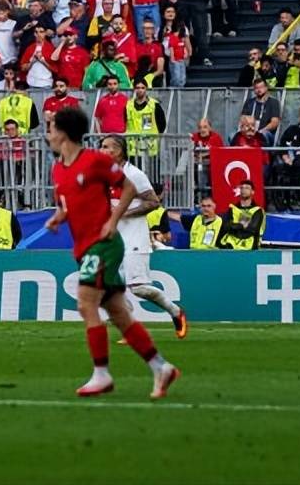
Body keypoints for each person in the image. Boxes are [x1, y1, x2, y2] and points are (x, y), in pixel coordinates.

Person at [44, 106, 179, 398]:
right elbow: (68, 204)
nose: (48, 134)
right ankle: (161, 367)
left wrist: (113, 220)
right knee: (118, 313)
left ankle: (101, 374)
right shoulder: (58, 168)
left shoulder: (94, 161)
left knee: (85, 303)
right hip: (84, 246)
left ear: (63, 133)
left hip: (103, 244)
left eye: (51, 128)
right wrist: (59, 216)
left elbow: (129, 188)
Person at [99, 136, 187, 336]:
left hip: (134, 238)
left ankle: (176, 312)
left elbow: (153, 202)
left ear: (118, 151)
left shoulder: (133, 174)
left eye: (105, 147)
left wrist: (123, 214)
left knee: (138, 288)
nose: (101, 150)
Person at [221, 180, 266, 250]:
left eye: (247, 188)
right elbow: (226, 226)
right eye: (242, 188)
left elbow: (252, 230)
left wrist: (235, 227)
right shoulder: (232, 208)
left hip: (250, 247)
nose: (243, 190)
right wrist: (242, 225)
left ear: (252, 192)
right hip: (231, 246)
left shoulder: (257, 210)